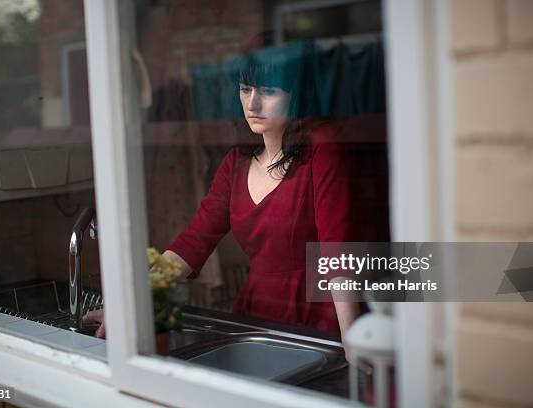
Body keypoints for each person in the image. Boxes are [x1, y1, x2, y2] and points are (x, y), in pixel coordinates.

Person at [84, 42, 360, 342]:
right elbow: (195, 239)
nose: (252, 104)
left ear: (297, 92)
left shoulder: (321, 147)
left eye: (267, 91)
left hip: (319, 313)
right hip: (257, 313)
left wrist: (351, 336)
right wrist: (131, 302)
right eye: (245, 89)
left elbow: (338, 249)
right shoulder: (237, 161)